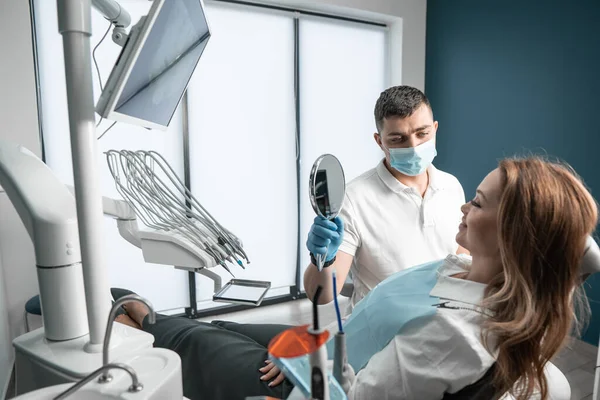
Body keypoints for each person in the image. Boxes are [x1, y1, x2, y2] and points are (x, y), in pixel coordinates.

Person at [113, 156, 597, 400]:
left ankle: (138, 321)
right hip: (331, 336)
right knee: (217, 329)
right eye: (472, 195)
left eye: (481, 201)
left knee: (183, 336)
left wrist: (312, 362)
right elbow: (332, 298)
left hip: (322, 374)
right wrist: (321, 269)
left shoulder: (454, 336)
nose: (465, 206)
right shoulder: (461, 268)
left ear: (514, 237)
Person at [304, 85, 468, 310]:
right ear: (379, 141)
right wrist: (322, 260)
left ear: (435, 128)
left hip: (440, 328)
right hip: (381, 334)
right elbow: (320, 296)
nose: (414, 146)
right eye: (398, 139)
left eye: (423, 133)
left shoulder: (451, 186)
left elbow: (462, 262)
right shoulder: (353, 199)